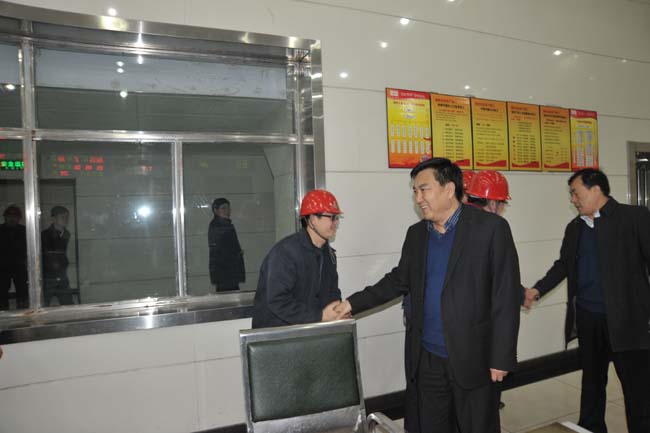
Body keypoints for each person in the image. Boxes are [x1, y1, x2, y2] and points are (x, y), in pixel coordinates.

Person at [336, 158, 521, 433]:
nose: (418, 198)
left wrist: (501, 357)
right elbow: (397, 280)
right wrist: (351, 304)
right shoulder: (416, 235)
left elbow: (505, 296)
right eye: (415, 191)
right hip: (427, 358)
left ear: (449, 189)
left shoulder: (490, 229)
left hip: (474, 358)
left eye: (424, 189)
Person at [524, 168, 650, 433]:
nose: (573, 199)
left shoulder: (634, 218)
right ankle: (590, 428)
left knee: (636, 387)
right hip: (588, 318)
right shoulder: (575, 228)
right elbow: (563, 265)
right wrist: (537, 290)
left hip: (627, 321)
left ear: (596, 190)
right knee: (592, 382)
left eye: (575, 193)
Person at [251, 189, 344, 329]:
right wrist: (319, 316)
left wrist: (337, 311)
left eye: (337, 218)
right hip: (277, 335)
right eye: (331, 217)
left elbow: (331, 292)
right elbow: (278, 301)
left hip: (309, 329)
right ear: (312, 220)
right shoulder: (285, 253)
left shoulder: (328, 254)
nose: (335, 223)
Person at [208, 198, 245, 292]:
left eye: (228, 208)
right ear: (215, 210)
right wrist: (236, 254)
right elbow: (220, 249)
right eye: (223, 208)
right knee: (229, 296)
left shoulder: (225, 224)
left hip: (227, 272)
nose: (227, 211)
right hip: (225, 272)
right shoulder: (219, 226)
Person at [42, 206, 73, 306]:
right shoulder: (44, 235)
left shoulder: (66, 234)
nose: (65, 219)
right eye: (62, 217)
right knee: (43, 303)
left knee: (68, 303)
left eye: (67, 217)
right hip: (48, 275)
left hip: (61, 273)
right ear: (53, 219)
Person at [0, 205, 29, 310]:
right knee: (2, 291)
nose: (12, 218)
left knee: (22, 291)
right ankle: (3, 313)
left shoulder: (24, 230)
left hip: (19, 265)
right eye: (9, 216)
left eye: (15, 216)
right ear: (5, 217)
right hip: (2, 266)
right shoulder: (0, 229)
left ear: (19, 218)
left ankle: (23, 311)